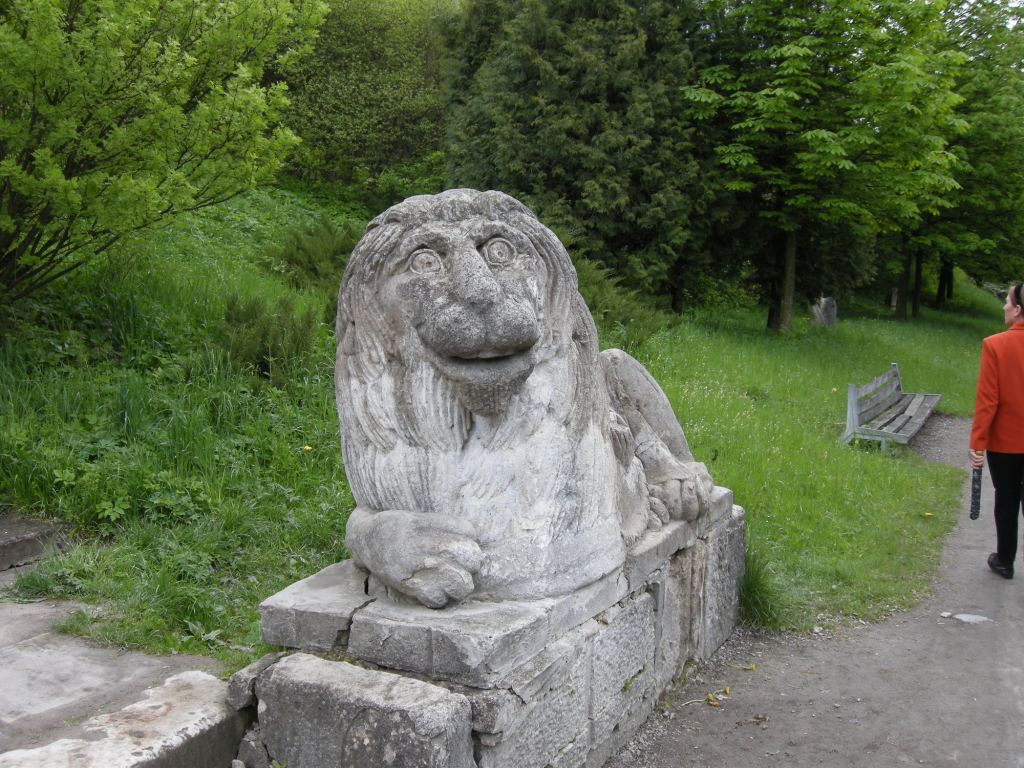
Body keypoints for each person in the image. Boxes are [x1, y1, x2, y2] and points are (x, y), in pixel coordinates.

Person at [969, 281, 1024, 580]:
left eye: (1007, 301)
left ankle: (1005, 561)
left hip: (1005, 444)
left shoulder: (995, 345)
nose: (1003, 305)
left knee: (1006, 500)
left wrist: (977, 444)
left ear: (1017, 310)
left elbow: (987, 402)